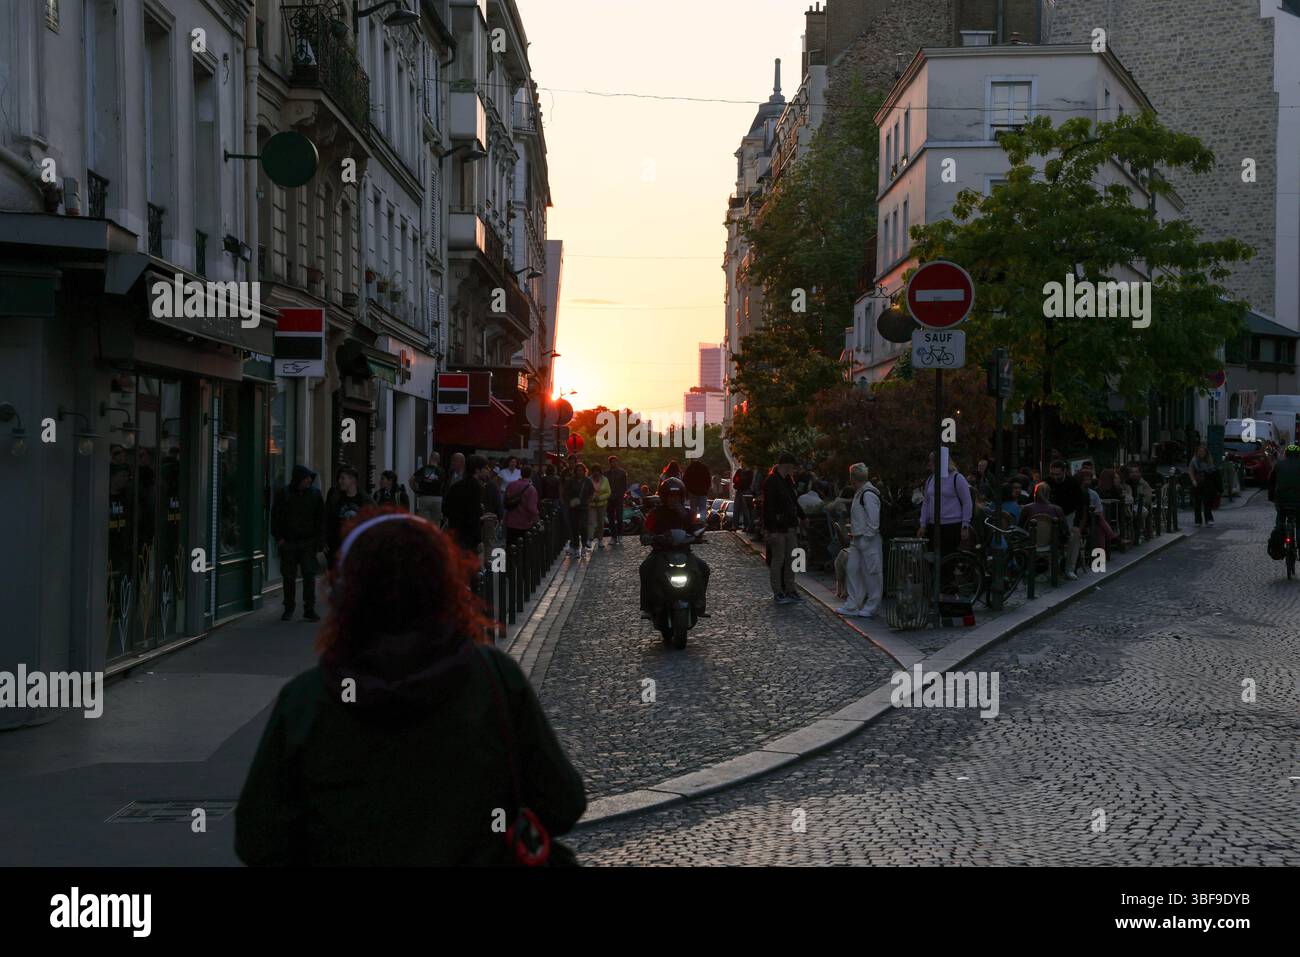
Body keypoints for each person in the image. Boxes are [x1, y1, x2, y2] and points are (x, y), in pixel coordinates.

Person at [235, 507, 587, 865]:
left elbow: (259, 840)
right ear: (447, 587)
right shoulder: (494, 680)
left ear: (345, 594)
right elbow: (562, 804)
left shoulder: (306, 701)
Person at [639, 477, 710, 618]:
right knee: (645, 568)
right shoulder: (655, 514)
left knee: (703, 568)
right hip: (660, 552)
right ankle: (648, 606)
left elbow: (697, 527)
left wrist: (697, 534)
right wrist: (649, 538)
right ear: (664, 497)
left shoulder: (688, 513)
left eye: (676, 496)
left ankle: (699, 603)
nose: (673, 499)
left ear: (681, 497)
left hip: (684, 552)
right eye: (670, 496)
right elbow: (646, 531)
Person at [271, 465, 325, 622]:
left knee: (309, 575)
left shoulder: (315, 495)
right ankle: (289, 607)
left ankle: (309, 608)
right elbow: (276, 517)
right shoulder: (284, 494)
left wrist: (319, 540)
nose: (309, 480)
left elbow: (321, 518)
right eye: (306, 478)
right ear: (299, 479)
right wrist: (279, 538)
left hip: (307, 541)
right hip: (289, 541)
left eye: (309, 478)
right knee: (289, 577)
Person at [918, 452, 974, 589]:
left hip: (951, 525)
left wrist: (965, 525)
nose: (929, 464)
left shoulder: (957, 478)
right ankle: (936, 591)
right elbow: (926, 502)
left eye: (932, 461)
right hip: (933, 525)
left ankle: (946, 592)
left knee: (947, 562)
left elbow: (967, 502)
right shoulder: (931, 479)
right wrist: (922, 523)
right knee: (933, 559)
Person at [837, 463, 883, 619]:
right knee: (853, 569)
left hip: (865, 538)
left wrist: (867, 536)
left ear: (852, 478)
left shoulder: (867, 494)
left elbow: (873, 521)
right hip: (859, 538)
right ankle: (853, 604)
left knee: (871, 572)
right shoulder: (862, 493)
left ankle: (871, 605)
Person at [762, 453, 806, 604]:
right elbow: (768, 507)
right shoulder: (772, 482)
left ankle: (790, 589)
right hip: (778, 527)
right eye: (792, 466)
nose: (793, 469)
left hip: (790, 525)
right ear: (786, 465)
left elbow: (794, 502)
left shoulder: (787, 481)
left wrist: (803, 516)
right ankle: (778, 591)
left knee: (791, 559)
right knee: (778, 559)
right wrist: (771, 529)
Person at [1044, 459, 1085, 580]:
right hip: (1051, 516)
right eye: (1052, 474)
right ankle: (1050, 569)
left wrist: (1077, 524)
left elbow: (1080, 505)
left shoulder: (1072, 483)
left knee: (1074, 536)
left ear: (1064, 472)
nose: (1055, 477)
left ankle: (1070, 569)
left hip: (1068, 514)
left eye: (1058, 474)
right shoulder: (1047, 482)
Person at [442, 455, 490, 557]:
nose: (487, 471)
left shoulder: (455, 486)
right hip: (468, 536)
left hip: (454, 532)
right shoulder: (476, 487)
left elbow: (445, 509)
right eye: (485, 468)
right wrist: (478, 540)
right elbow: (473, 514)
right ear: (477, 470)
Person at [324, 466, 367, 568]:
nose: (340, 481)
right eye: (339, 478)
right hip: (337, 547)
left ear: (353, 480)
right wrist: (324, 541)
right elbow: (326, 520)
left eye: (343, 478)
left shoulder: (365, 501)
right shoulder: (334, 499)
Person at [504, 466, 540, 550]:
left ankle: (509, 562)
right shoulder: (531, 489)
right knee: (522, 548)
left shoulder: (511, 485)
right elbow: (531, 508)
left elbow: (505, 500)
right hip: (524, 522)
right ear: (531, 475)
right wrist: (537, 515)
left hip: (511, 521)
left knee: (510, 546)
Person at [1268, 444, 1300, 530]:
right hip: (1298, 500)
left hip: (1282, 499)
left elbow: (1272, 483)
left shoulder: (1278, 465)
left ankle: (1279, 531)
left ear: (1286, 454)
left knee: (1280, 517)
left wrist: (1271, 497)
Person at [1187, 444, 1219, 527]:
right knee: (1197, 503)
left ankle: (1209, 519)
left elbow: (1213, 471)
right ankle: (1198, 521)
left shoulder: (1209, 460)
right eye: (1199, 451)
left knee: (1207, 502)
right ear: (1197, 452)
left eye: (1203, 451)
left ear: (1206, 453)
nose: (1201, 453)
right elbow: (1190, 471)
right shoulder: (1194, 461)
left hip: (1207, 483)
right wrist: (1193, 480)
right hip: (1197, 482)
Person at [564, 463, 591, 555]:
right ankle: (575, 546)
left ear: (584, 471)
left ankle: (584, 544)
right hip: (574, 508)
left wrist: (587, 501)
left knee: (583, 526)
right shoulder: (571, 481)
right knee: (574, 527)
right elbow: (566, 493)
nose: (579, 472)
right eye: (578, 470)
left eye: (581, 470)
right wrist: (570, 502)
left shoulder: (587, 481)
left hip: (584, 507)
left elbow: (592, 493)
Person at [409, 454, 444, 524]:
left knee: (423, 523)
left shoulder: (423, 469)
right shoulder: (442, 471)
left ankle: (425, 534)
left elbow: (411, 479)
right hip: (437, 498)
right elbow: (443, 485)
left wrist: (415, 490)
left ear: (430, 458)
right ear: (438, 460)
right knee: (436, 523)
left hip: (425, 497)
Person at [605, 456, 628, 545]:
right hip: (609, 498)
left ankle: (620, 535)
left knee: (619, 517)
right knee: (610, 518)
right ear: (609, 463)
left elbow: (624, 486)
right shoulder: (606, 474)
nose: (613, 463)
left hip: (618, 498)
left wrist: (621, 495)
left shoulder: (622, 473)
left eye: (615, 462)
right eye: (612, 462)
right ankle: (613, 537)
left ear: (617, 462)